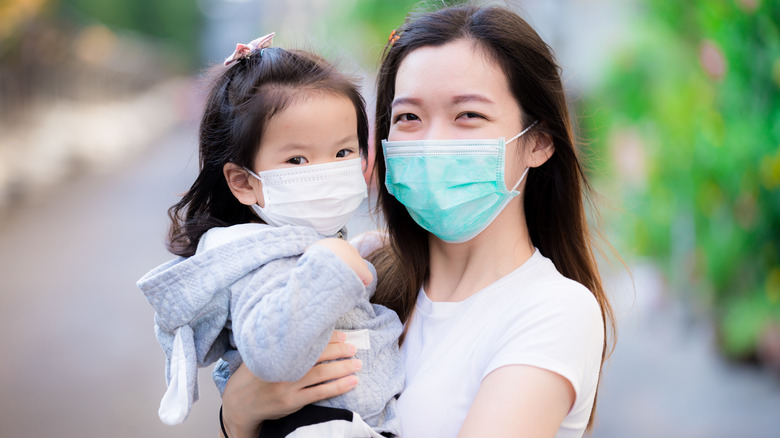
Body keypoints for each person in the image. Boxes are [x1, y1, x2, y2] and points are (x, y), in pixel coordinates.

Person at [220, 4, 616, 438]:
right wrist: (236, 418)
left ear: (538, 142)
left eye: (469, 115)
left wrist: (241, 416)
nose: (433, 142)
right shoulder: (360, 275)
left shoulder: (553, 311)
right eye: (409, 117)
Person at [137, 33, 403, 437]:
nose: (326, 170)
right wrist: (332, 265)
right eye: (297, 158)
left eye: (344, 152)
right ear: (244, 182)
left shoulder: (305, 245)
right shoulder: (258, 260)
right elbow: (272, 355)